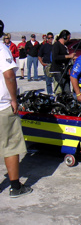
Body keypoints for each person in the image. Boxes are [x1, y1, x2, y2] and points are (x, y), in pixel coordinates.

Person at [0, 20, 33, 198]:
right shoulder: (1, 49)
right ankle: (15, 187)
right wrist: (14, 99)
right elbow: (9, 75)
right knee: (11, 145)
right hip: (2, 107)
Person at [51, 30, 76, 94]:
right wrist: (68, 56)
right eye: (68, 37)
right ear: (64, 37)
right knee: (59, 91)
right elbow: (55, 57)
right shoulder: (56, 45)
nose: (69, 39)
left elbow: (65, 58)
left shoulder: (64, 46)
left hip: (64, 71)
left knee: (67, 90)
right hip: (57, 71)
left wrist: (72, 58)